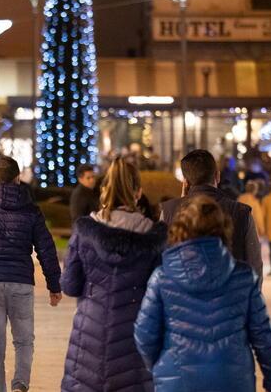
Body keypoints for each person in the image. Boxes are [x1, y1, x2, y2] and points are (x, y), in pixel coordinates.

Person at [134, 196, 271, 392]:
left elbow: (144, 334)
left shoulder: (162, 277)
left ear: (180, 230)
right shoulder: (243, 277)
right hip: (233, 382)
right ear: (223, 230)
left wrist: (160, 366)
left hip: (177, 382)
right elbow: (263, 336)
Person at [60, 157, 166, 391]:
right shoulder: (154, 237)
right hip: (135, 336)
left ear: (105, 190)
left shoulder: (85, 230)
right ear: (138, 193)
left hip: (90, 334)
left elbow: (70, 285)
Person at [0, 156, 62, 392]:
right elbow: (46, 248)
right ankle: (20, 384)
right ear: (17, 178)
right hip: (21, 283)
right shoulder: (31, 211)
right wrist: (54, 284)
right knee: (24, 340)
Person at [160, 150, 263, 283]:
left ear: (185, 182)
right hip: (231, 291)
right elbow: (254, 264)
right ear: (217, 176)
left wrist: (180, 203)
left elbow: (162, 260)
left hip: (181, 293)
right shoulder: (241, 212)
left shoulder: (168, 211)